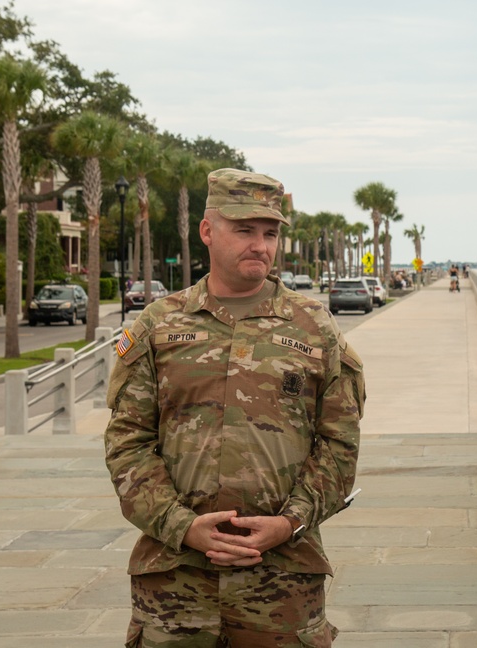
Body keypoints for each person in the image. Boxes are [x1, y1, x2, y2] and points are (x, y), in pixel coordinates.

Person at [105, 168, 365, 647]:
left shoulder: (314, 328)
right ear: (208, 230)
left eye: (269, 234)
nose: (260, 245)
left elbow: (339, 447)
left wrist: (289, 523)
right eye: (244, 230)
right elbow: (128, 443)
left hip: (282, 584)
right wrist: (181, 526)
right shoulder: (160, 325)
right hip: (175, 583)